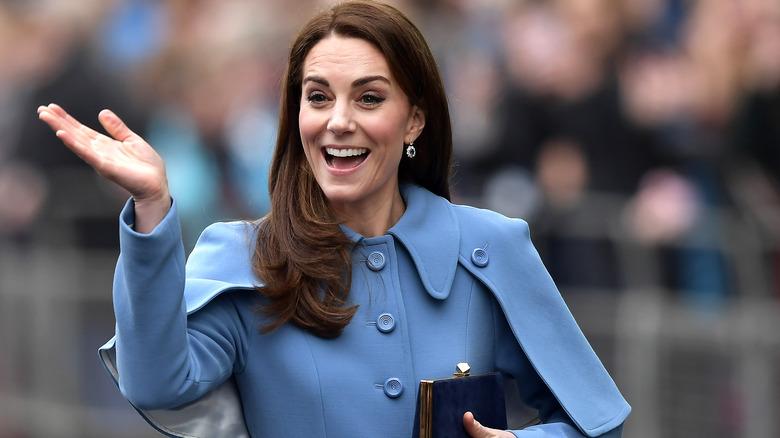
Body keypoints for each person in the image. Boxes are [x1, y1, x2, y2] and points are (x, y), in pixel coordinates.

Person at [37, 1, 630, 436]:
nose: (337, 121)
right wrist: (151, 209)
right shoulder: (243, 256)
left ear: (415, 120)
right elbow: (155, 384)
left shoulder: (489, 247)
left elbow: (596, 422)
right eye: (317, 97)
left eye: (369, 98)